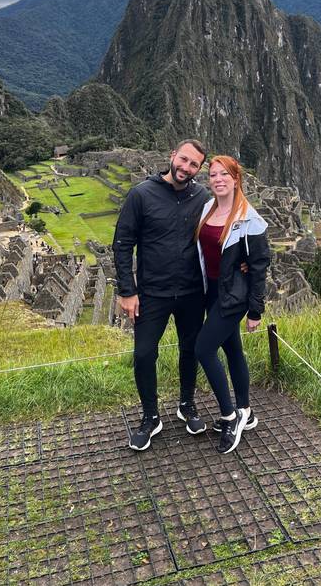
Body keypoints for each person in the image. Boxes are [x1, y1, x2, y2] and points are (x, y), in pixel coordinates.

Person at [113, 139, 209, 451]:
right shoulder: (142, 194)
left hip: (192, 291)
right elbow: (123, 242)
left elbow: (221, 232)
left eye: (194, 164)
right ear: (172, 156)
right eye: (183, 160)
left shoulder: (202, 196)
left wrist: (247, 263)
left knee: (190, 350)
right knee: (143, 354)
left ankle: (186, 404)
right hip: (152, 292)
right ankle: (151, 416)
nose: (186, 168)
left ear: (199, 169)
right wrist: (127, 290)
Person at [195, 155, 271, 454]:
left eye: (224, 174)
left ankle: (231, 415)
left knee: (204, 348)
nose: (218, 179)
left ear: (236, 178)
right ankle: (247, 410)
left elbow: (259, 266)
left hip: (233, 297)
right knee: (232, 349)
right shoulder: (207, 208)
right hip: (211, 289)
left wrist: (255, 310)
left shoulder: (249, 219)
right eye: (213, 174)